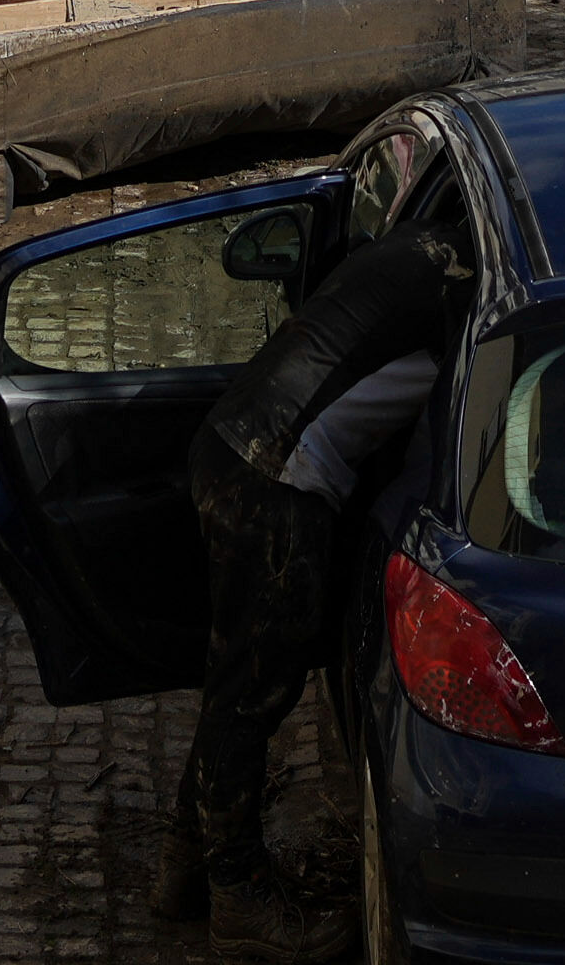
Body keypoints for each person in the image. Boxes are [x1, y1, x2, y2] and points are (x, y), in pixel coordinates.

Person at [163, 184, 474, 919]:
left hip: (232, 449)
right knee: (254, 693)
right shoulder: (470, 287)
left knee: (234, 679)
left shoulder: (419, 244)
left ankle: (187, 864)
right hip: (278, 478)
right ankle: (238, 894)